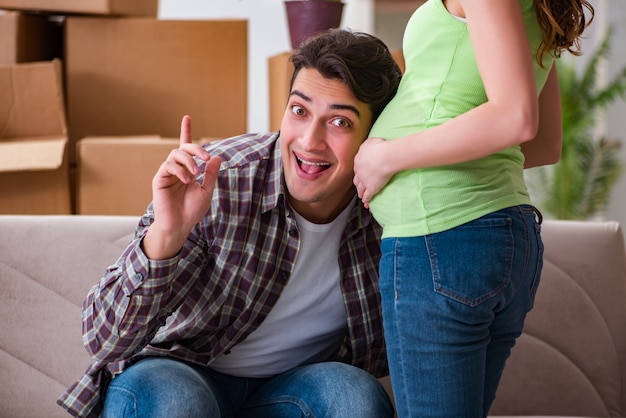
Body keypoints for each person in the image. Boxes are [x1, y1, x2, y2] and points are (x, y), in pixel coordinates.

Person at [57, 28, 402, 418]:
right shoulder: (220, 178)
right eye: (299, 111)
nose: (309, 141)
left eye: (339, 122)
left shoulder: (390, 210)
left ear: (374, 137)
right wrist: (167, 234)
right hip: (179, 373)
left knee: (354, 397)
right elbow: (102, 340)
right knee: (177, 402)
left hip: (290, 392)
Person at [352, 1, 594, 417]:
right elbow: (545, 143)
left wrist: (387, 157)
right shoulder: (544, 11)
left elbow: (517, 120)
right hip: (500, 236)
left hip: (441, 237)